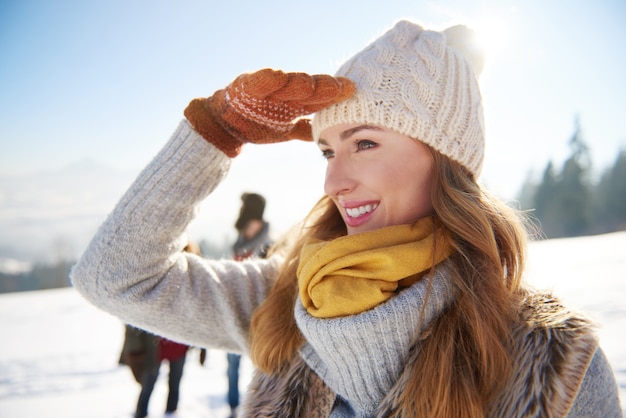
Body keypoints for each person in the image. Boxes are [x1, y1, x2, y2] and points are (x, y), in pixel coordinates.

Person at [72, 18, 622, 417]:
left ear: (447, 158)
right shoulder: (287, 299)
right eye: (328, 151)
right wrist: (215, 134)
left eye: (364, 143)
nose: (334, 183)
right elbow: (115, 276)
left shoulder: (553, 364)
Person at [226, 192, 273, 416]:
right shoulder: (239, 246)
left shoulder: (267, 247)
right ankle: (234, 407)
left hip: (262, 319)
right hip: (237, 313)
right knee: (233, 364)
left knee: (263, 368)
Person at [120, 325, 189, 418]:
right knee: (148, 385)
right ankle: (141, 414)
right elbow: (131, 324)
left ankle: (171, 412)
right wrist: (134, 350)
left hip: (179, 348)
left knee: (175, 384)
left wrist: (201, 344)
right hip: (153, 350)